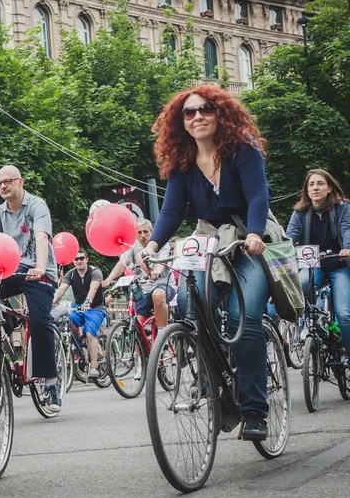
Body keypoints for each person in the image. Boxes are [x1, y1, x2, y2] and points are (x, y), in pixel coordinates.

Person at [141, 85, 271, 441]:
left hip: (247, 237)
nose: (197, 116)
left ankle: (255, 410)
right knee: (188, 304)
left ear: (220, 114)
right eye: (189, 112)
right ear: (180, 122)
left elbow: (259, 195)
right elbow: (171, 211)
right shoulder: (182, 162)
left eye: (205, 109)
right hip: (206, 237)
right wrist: (151, 245)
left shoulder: (242, 148)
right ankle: (210, 379)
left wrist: (257, 234)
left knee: (246, 318)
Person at [0, 165, 62, 413]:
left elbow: (42, 237)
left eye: (8, 181)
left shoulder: (35, 205)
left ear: (21, 182)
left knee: (40, 320)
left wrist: (41, 266)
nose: (3, 186)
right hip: (9, 271)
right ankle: (9, 340)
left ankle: (50, 382)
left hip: (37, 271)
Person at [286, 169, 350, 367]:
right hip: (314, 266)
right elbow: (289, 237)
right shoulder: (300, 213)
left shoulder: (343, 208)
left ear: (329, 188)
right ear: (307, 189)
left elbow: (347, 228)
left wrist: (347, 248)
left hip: (339, 265)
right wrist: (284, 251)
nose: (315, 187)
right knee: (302, 283)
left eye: (320, 183)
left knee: (344, 314)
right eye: (311, 184)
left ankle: (349, 354)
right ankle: (307, 326)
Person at [103, 218, 175, 331]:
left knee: (158, 296)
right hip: (144, 288)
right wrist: (108, 279)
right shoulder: (133, 245)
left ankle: (162, 334)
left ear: (152, 232)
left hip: (163, 284)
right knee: (137, 324)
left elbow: (163, 262)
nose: (142, 235)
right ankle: (137, 348)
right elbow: (122, 263)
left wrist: (157, 272)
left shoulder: (162, 242)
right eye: (139, 232)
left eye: (146, 232)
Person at [53, 249, 106, 379]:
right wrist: (52, 301)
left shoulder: (95, 272)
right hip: (78, 307)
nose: (79, 261)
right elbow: (61, 290)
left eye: (81, 258)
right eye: (76, 259)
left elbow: (93, 288)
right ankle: (80, 345)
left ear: (86, 259)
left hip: (96, 307)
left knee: (89, 333)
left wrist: (88, 302)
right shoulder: (70, 274)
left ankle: (93, 367)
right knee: (68, 320)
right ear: (73, 261)